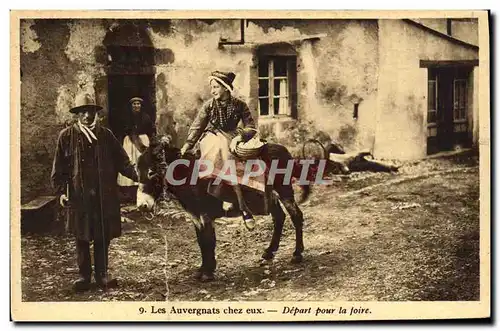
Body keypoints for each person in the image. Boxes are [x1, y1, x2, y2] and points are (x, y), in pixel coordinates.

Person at [51, 93, 139, 292]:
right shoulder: (66, 136)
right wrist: (61, 193)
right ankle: (84, 276)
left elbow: (123, 161)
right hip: (79, 195)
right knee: (81, 236)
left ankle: (102, 274)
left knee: (102, 235)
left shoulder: (106, 135)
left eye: (90, 112)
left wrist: (140, 177)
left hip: (104, 195)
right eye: (83, 112)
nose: (87, 116)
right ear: (77, 115)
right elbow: (59, 169)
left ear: (95, 113)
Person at [180, 70, 257, 230]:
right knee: (219, 151)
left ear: (225, 88)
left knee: (240, 158)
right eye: (212, 88)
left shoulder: (240, 105)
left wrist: (240, 137)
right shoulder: (209, 105)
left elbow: (251, 127)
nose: (213, 91)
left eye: (216, 87)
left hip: (233, 136)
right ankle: (216, 202)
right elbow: (197, 126)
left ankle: (242, 204)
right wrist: (188, 143)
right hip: (213, 136)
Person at [117, 97, 156, 199]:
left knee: (143, 163)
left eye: (138, 104)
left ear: (141, 105)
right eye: (134, 104)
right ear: (131, 106)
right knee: (131, 162)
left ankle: (143, 189)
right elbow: (127, 130)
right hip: (130, 142)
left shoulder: (146, 117)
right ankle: (130, 192)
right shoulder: (126, 117)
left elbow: (151, 130)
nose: (136, 106)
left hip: (143, 140)